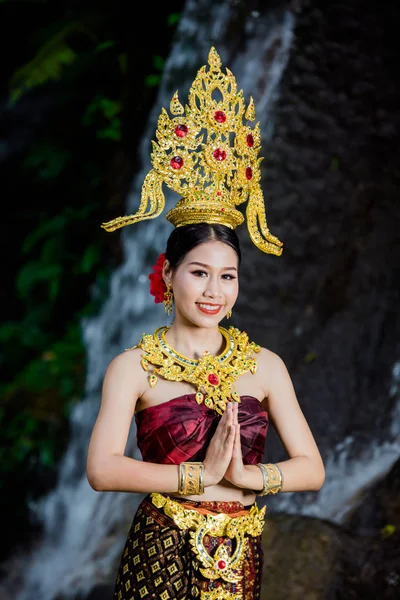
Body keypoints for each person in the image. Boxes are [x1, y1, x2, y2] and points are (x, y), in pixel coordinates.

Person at [86, 47, 325, 600]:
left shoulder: (265, 366)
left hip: (242, 552)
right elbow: (102, 469)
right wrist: (194, 477)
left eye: (228, 276)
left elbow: (312, 468)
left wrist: (248, 479)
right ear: (168, 274)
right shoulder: (133, 368)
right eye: (199, 273)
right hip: (163, 549)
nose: (215, 291)